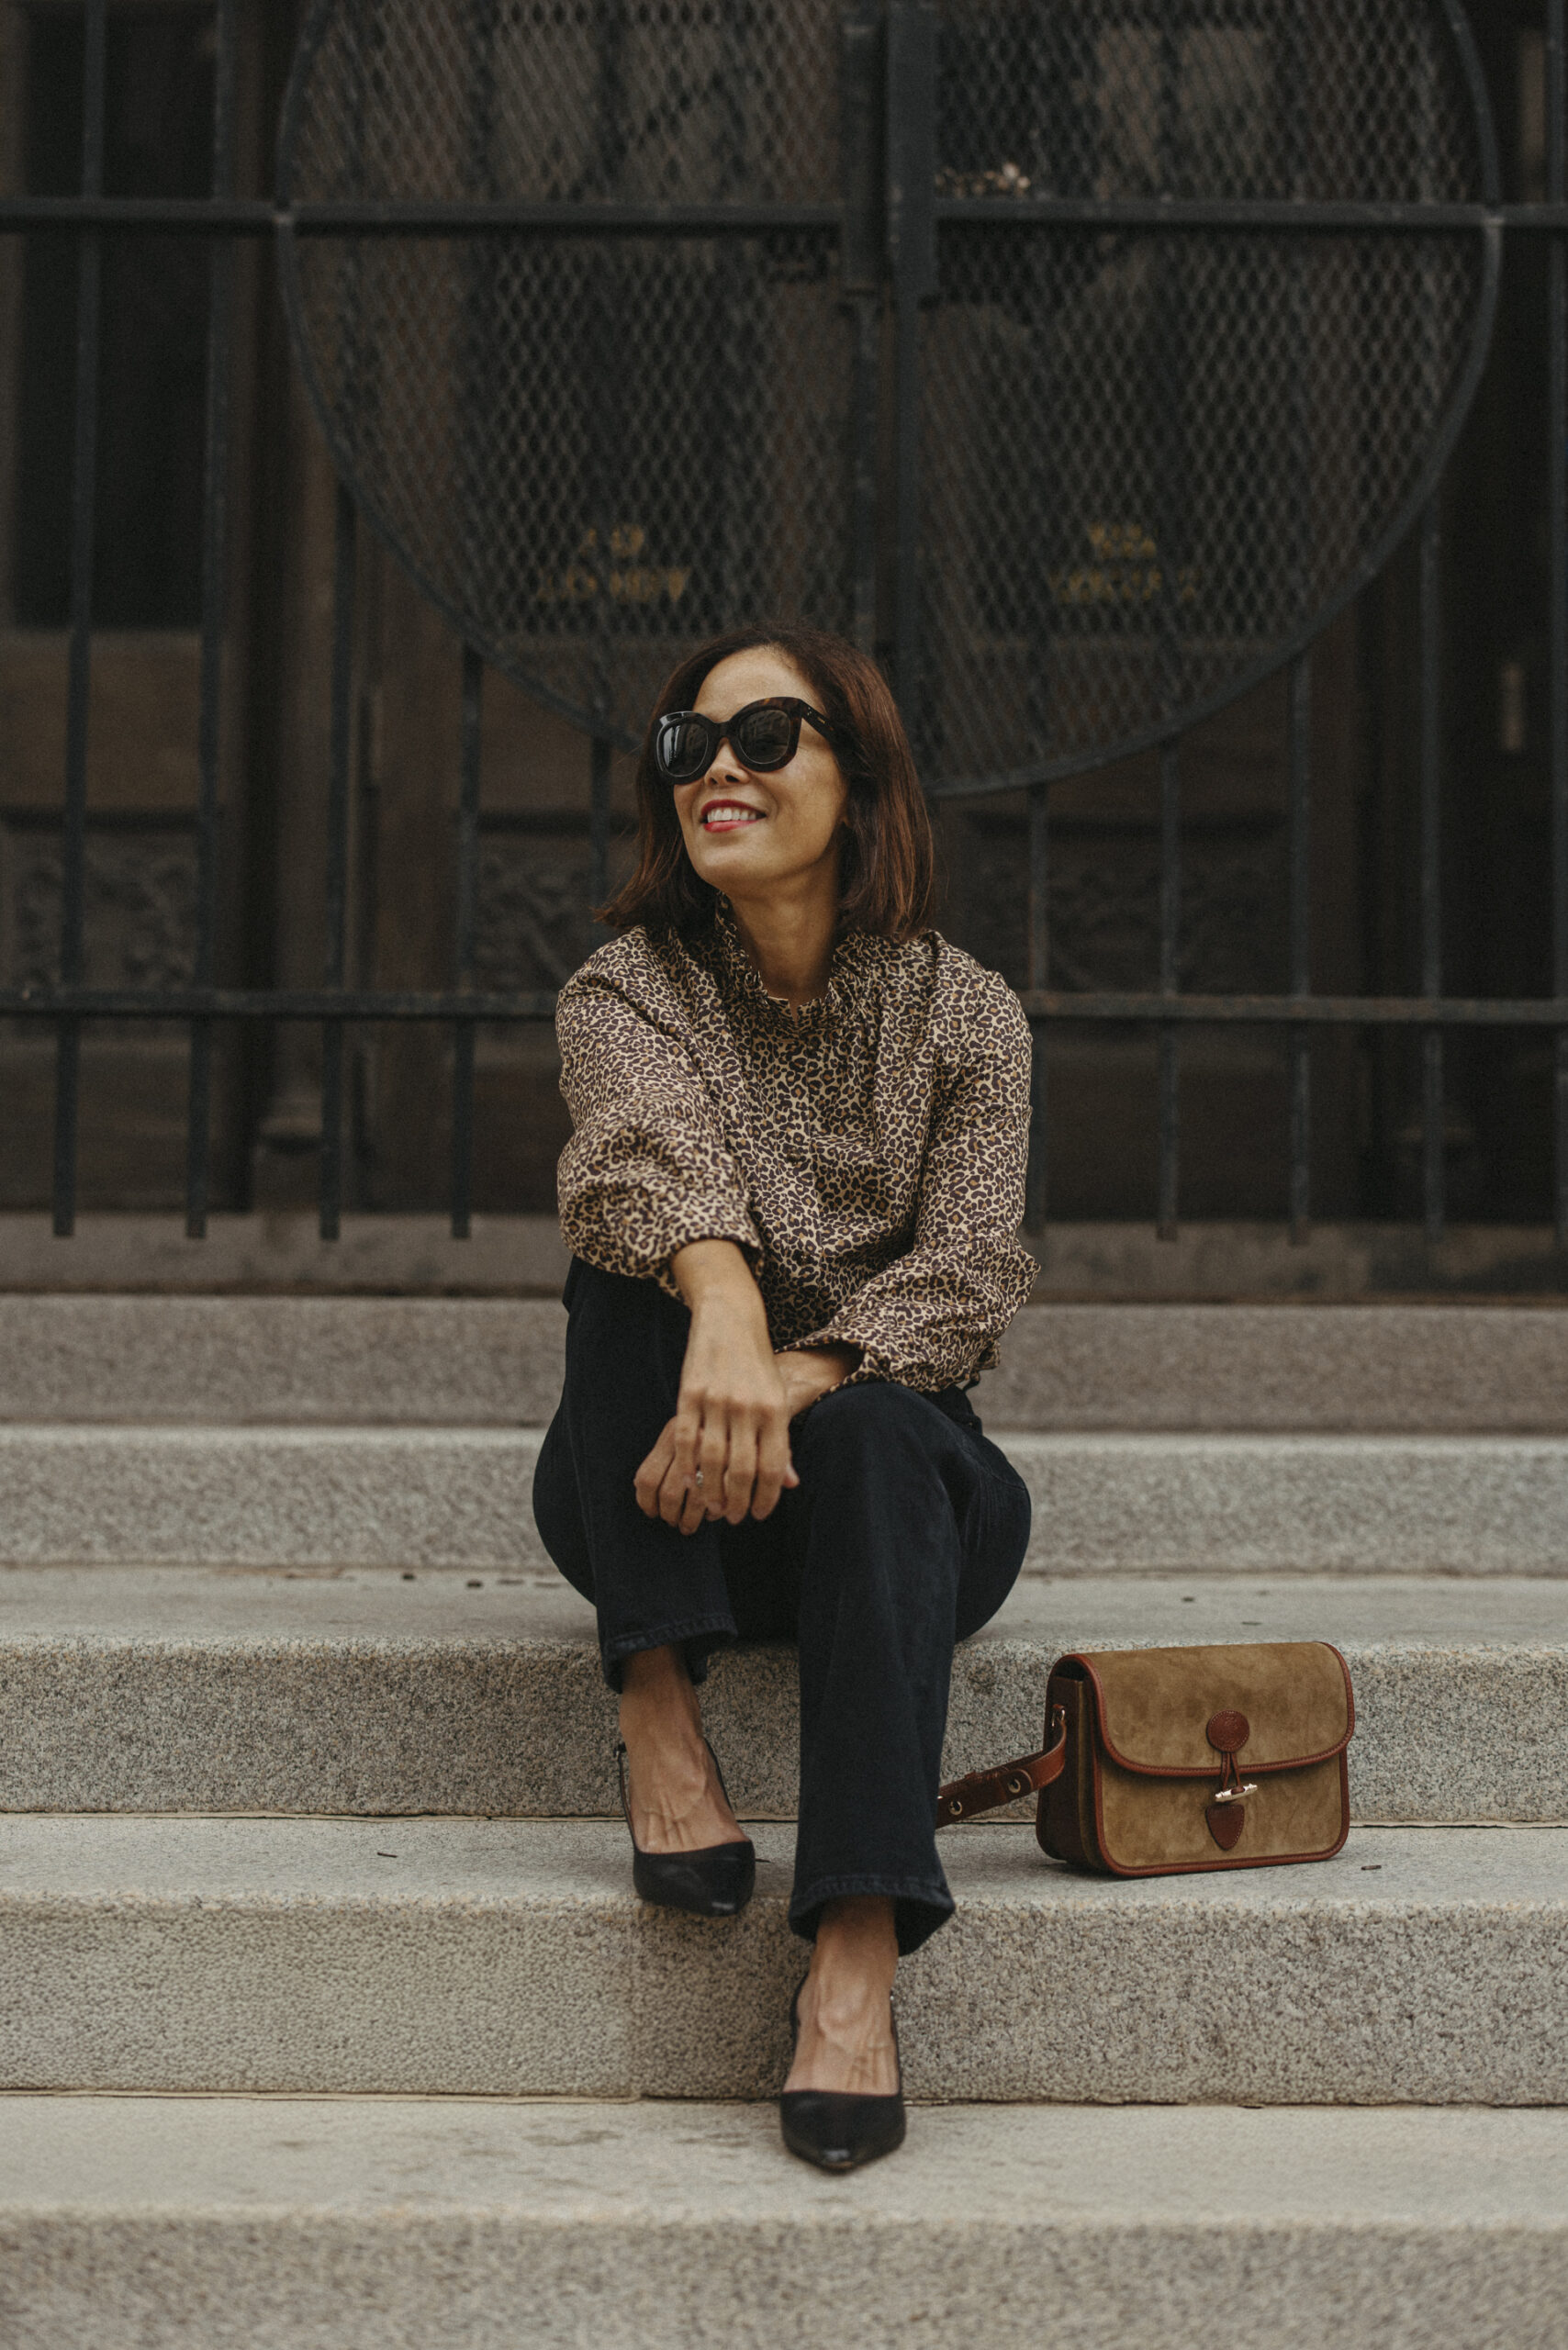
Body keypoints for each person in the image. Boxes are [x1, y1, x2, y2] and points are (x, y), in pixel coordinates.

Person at [532, 622, 1036, 2171]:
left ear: (858, 780)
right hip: (659, 1487)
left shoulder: (967, 1015)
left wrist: (801, 1369)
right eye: (689, 746)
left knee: (886, 1420)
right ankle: (656, 1698)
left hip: (896, 1512)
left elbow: (968, 1277)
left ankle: (857, 1951)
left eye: (765, 738)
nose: (716, 772)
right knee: (641, 1259)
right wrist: (728, 1311)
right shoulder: (623, 992)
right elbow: (637, 1163)